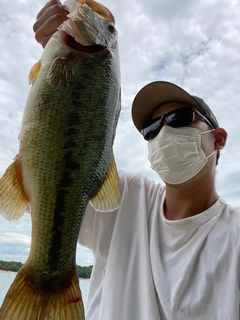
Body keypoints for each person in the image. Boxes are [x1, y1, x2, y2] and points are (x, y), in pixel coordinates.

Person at [33, 1, 240, 319]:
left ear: (218, 138)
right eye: (151, 129)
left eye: (179, 116)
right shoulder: (122, 197)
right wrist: (60, 75)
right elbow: (50, 171)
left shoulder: (234, 237)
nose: (164, 132)